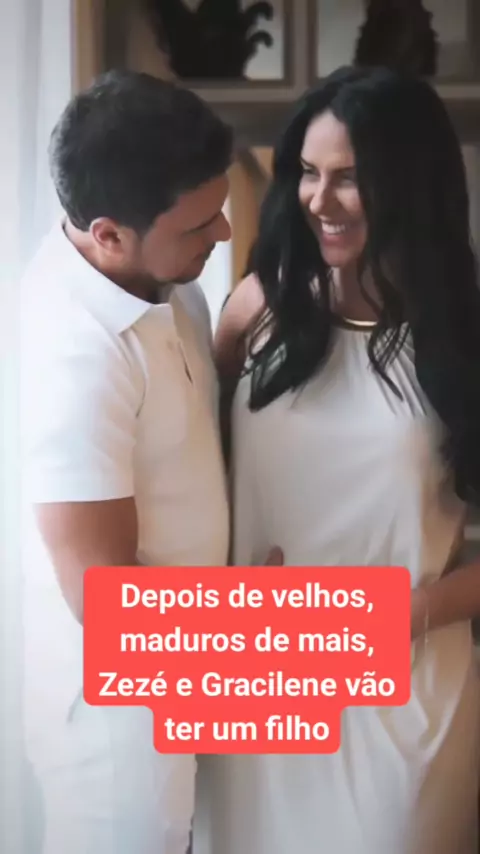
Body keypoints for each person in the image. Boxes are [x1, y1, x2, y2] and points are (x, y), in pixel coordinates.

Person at [195, 65, 480, 854]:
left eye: (350, 178)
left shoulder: (464, 336)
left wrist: (404, 617)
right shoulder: (255, 309)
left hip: (403, 700)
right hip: (258, 685)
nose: (320, 200)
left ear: (411, 185)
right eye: (308, 173)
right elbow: (191, 475)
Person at [19, 69, 234, 854]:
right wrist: (273, 632)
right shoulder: (71, 353)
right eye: (199, 225)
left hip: (188, 674)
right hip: (119, 728)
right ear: (108, 234)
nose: (222, 234)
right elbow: (104, 599)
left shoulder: (168, 281)